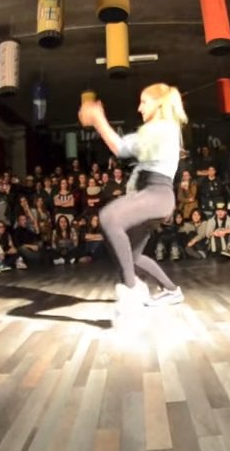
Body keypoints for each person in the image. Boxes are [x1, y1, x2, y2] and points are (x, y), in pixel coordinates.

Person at [79, 83, 186, 307]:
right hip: (155, 197)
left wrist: (98, 119)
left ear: (158, 103)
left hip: (156, 194)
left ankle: (131, 288)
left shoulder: (162, 128)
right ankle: (171, 290)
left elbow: (121, 148)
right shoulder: (165, 129)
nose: (139, 108)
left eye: (144, 102)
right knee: (132, 255)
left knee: (109, 217)